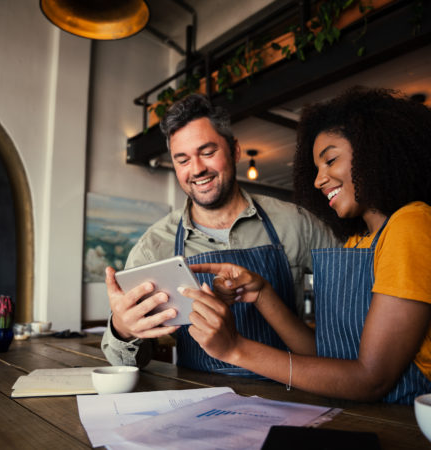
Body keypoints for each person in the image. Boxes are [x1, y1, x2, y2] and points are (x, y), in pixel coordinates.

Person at [182, 86, 431, 403]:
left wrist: (235, 349)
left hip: (405, 421)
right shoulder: (359, 241)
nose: (319, 180)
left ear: (376, 151)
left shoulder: (413, 225)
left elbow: (371, 378)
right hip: (356, 416)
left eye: (330, 160)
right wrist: (262, 293)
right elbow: (328, 357)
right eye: (316, 169)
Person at [101, 94, 337, 376]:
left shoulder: (297, 223)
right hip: (197, 399)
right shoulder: (154, 246)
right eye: (183, 159)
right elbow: (129, 365)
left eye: (208, 152)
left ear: (234, 150)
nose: (197, 169)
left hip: (295, 393)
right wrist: (123, 329)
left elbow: (350, 309)